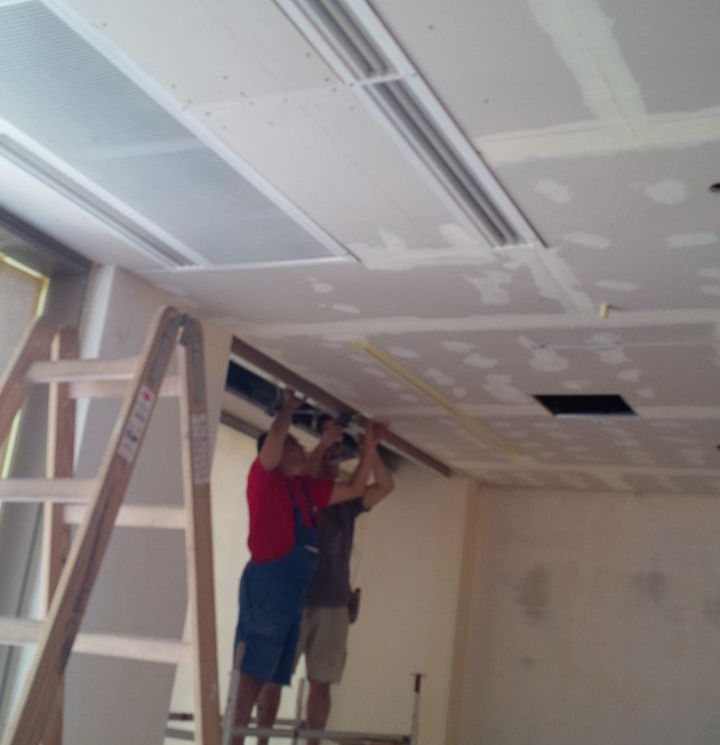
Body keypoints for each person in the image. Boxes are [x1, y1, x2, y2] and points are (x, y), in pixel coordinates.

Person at [231, 390, 386, 744]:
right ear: (277, 454)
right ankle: (233, 740)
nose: (301, 447)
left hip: (293, 595)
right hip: (268, 585)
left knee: (272, 673)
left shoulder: (305, 488)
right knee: (254, 673)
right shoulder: (264, 481)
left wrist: (370, 447)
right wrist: (287, 408)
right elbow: (273, 440)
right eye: (294, 444)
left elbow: (356, 487)